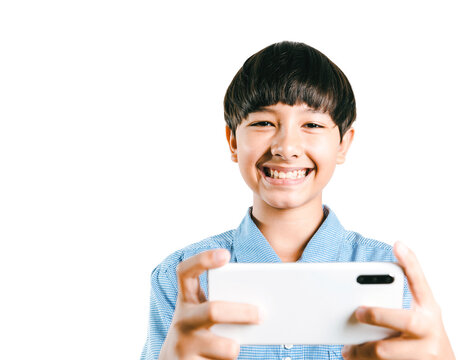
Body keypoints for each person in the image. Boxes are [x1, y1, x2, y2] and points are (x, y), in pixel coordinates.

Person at [140, 41, 455, 360]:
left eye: (313, 125)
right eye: (263, 122)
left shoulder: (392, 276)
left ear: (343, 144)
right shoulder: (182, 278)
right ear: (233, 141)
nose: (286, 147)